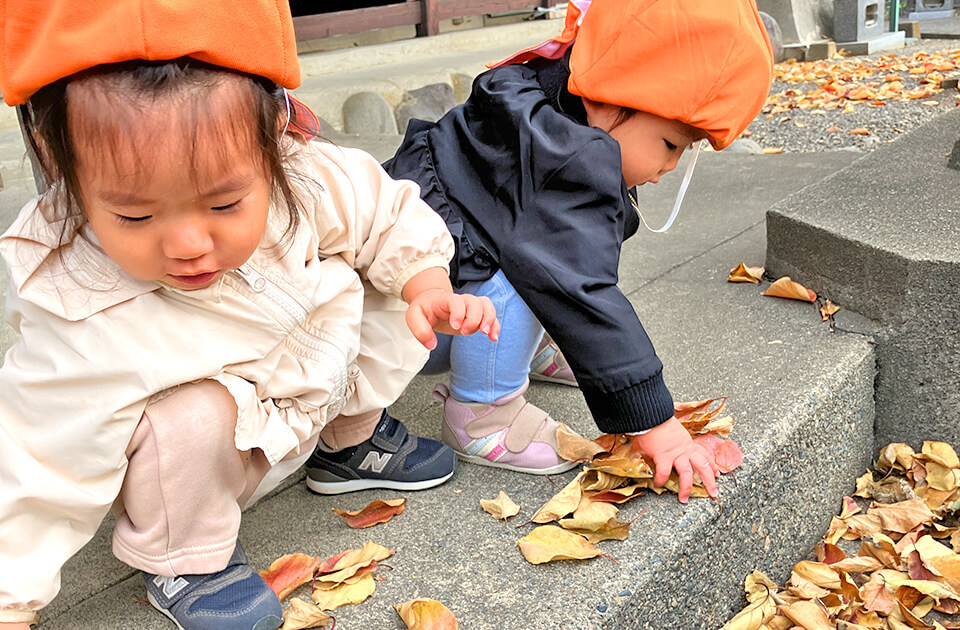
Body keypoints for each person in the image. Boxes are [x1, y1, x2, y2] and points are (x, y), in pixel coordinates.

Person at [0, 1, 500, 628]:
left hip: (312, 384)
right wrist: (10, 599)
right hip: (218, 452)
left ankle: (350, 442)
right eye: (135, 214)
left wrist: (426, 284)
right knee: (186, 418)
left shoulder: (304, 175)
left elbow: (384, 211)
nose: (188, 244)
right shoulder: (78, 294)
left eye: (224, 203)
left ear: (274, 137)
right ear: (61, 166)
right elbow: (39, 455)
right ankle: (186, 556)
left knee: (376, 283)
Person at [383, 0, 773, 492]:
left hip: (412, 294)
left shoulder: (538, 95)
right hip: (417, 326)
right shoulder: (568, 157)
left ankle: (527, 346)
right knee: (541, 264)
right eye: (671, 144)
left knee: (532, 249)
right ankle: (481, 414)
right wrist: (655, 423)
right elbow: (581, 289)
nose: (670, 166)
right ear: (608, 100)